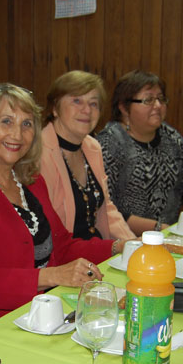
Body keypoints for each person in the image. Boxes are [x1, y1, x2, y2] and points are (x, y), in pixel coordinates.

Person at [0, 83, 117, 319]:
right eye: (6, 121)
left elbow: (62, 247)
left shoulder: (30, 178)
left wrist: (117, 247)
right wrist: (53, 276)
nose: (17, 134)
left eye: (27, 124)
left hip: (45, 311)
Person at [97, 70, 183, 233]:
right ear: (124, 108)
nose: (158, 106)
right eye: (148, 100)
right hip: (125, 237)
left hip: (170, 233)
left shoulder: (172, 137)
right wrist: (159, 228)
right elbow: (104, 210)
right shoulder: (109, 143)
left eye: (161, 99)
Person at [40, 70, 136, 242]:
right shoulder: (39, 153)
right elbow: (49, 231)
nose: (87, 110)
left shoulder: (92, 147)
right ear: (55, 108)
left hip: (98, 248)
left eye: (93, 104)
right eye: (77, 101)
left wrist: (131, 243)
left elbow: (106, 209)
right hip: (65, 253)